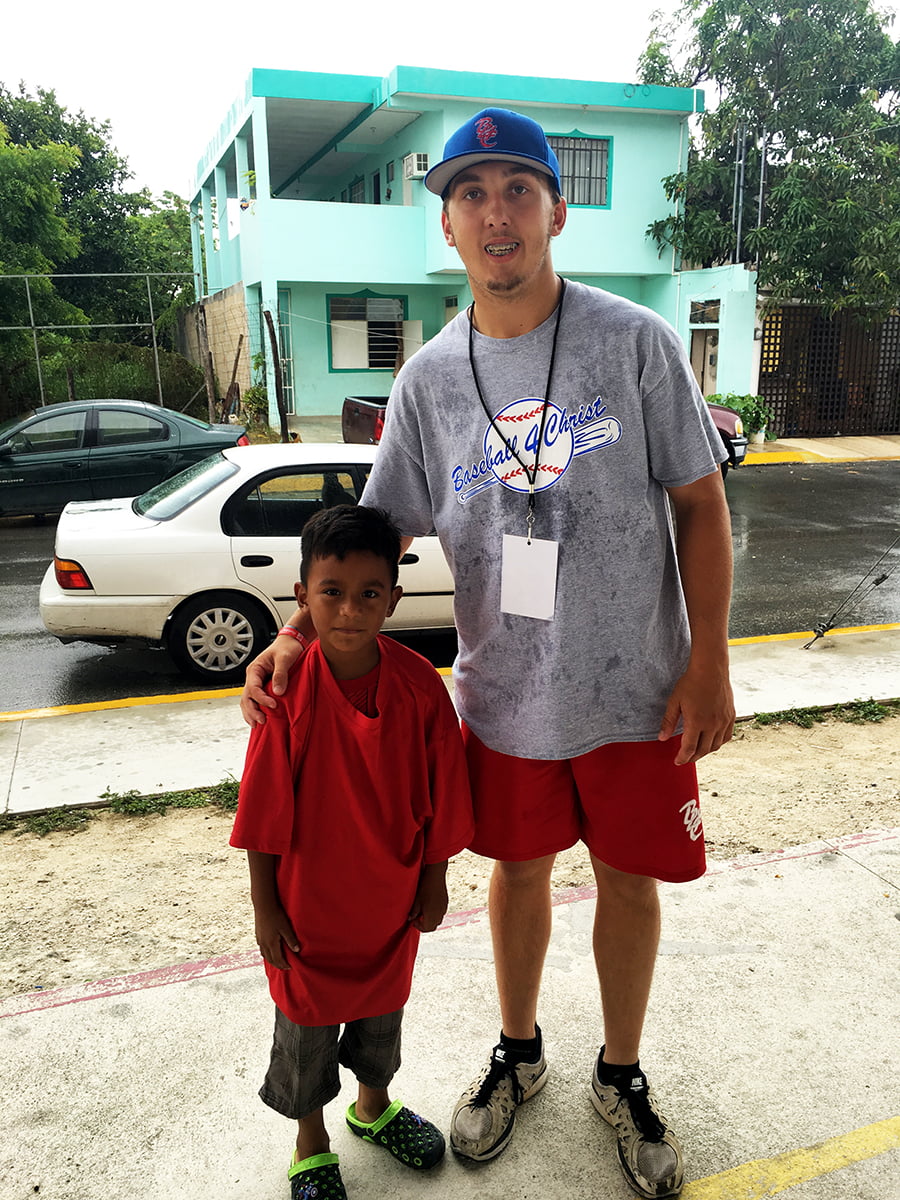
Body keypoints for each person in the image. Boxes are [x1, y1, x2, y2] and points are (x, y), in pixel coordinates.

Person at [241, 107, 735, 1200]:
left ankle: (621, 1070)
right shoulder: (427, 380)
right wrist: (288, 632)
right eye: (472, 193)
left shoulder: (634, 342)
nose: (496, 211)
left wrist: (709, 663)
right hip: (505, 696)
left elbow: (700, 505)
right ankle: (520, 1054)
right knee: (517, 875)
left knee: (629, 881)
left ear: (556, 210)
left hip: (639, 689)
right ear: (449, 227)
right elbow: (372, 537)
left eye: (518, 188)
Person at [231, 504, 474, 1200]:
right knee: (305, 1034)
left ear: (394, 598)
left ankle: (373, 1109)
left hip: (391, 903)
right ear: (302, 597)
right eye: (331, 592)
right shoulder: (285, 692)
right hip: (308, 912)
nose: (349, 610)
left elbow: (445, 796)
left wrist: (435, 879)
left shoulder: (421, 689)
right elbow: (261, 815)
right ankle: (311, 1144)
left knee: (381, 1020)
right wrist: (264, 907)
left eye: (370, 593)